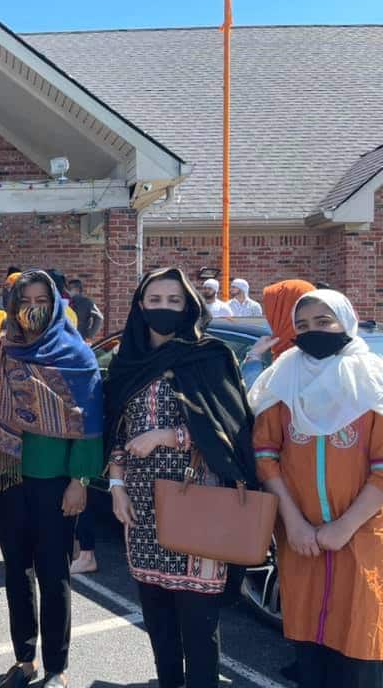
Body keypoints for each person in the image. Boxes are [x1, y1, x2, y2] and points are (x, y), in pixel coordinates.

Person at [106, 267, 257, 688]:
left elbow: (233, 429)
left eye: (174, 301)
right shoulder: (127, 362)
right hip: (141, 508)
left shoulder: (209, 356)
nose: (164, 308)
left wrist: (167, 435)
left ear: (189, 305)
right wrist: (116, 484)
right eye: (155, 300)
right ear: (140, 306)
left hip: (201, 504)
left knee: (199, 622)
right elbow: (115, 430)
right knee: (157, 619)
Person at [249, 290, 383, 688]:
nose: (313, 332)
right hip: (300, 538)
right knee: (309, 642)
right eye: (302, 325)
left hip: (361, 536)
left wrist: (342, 528)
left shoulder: (371, 382)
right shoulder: (283, 380)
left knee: (360, 639)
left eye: (324, 322)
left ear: (347, 321)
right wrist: (295, 524)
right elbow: (265, 455)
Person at [0, 269, 104, 688]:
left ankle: (56, 665)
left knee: (54, 573)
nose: (32, 308)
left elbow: (89, 424)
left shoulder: (76, 353)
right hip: (9, 478)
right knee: (16, 571)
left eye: (41, 300)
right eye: (24, 300)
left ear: (55, 304)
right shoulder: (0, 349)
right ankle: (24, 658)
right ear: (12, 305)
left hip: (56, 480)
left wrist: (80, 481)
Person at [241, 279, 316, 389]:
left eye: (272, 312)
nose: (268, 318)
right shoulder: (312, 352)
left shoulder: (296, 360)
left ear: (285, 313)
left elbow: (257, 399)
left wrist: (254, 356)